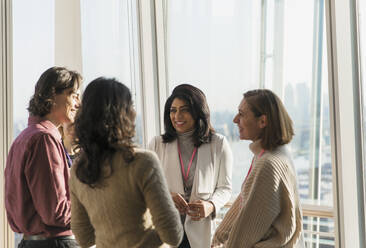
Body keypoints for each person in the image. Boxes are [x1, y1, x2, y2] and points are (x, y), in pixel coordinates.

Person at [69, 77, 183, 248]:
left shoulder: (79, 168)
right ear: (121, 114)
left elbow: (83, 236)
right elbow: (173, 234)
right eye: (131, 106)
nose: (135, 113)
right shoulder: (143, 162)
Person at [212, 89, 304, 248]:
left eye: (241, 114)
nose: (235, 120)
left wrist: (222, 242)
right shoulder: (273, 154)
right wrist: (219, 237)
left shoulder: (268, 164)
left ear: (262, 121)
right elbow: (245, 202)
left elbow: (247, 229)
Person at [5, 67, 82, 248]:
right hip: (54, 243)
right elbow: (56, 212)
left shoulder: (23, 138)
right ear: (54, 95)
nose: (78, 103)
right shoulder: (44, 139)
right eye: (74, 95)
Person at [149, 84, 233, 248]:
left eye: (184, 109)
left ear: (198, 111)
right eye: (173, 110)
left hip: (200, 231)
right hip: (166, 231)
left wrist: (211, 205)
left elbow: (225, 188)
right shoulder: (157, 144)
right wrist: (167, 197)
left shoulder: (219, 144)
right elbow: (148, 188)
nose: (177, 116)